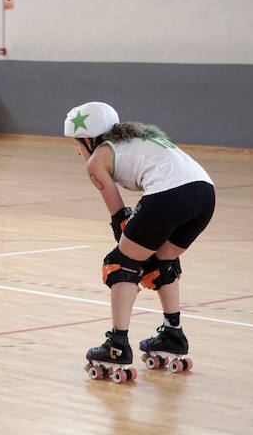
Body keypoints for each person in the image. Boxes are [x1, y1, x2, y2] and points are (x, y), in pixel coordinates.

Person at [63, 102, 215, 378]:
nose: (76, 149)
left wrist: (131, 263)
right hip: (205, 194)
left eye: (76, 142)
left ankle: (117, 345)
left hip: (171, 195)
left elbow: (119, 217)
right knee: (163, 262)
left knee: (119, 265)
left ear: (88, 138)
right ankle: (173, 335)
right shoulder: (140, 137)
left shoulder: (97, 159)